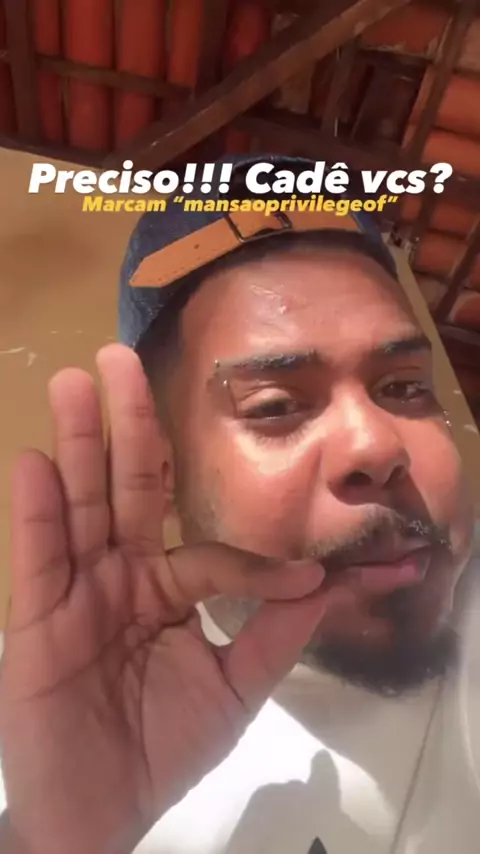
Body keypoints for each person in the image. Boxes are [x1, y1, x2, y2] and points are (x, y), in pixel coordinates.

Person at [0, 154, 479, 854]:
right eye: (277, 405)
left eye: (405, 388)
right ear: (163, 474)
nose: (377, 445)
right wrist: (51, 839)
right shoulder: (41, 716)